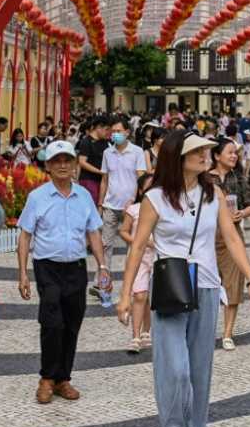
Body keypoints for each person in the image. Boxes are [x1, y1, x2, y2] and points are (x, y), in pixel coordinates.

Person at [116, 131, 250, 427]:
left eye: (207, 150)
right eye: (197, 151)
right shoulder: (155, 198)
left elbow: (230, 236)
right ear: (177, 157)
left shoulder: (214, 194)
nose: (206, 155)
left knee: (199, 370)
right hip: (170, 287)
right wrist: (125, 294)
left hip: (208, 286)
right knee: (174, 370)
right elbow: (137, 247)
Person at [17, 141, 110, 404]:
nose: (62, 165)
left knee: (72, 324)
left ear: (74, 165)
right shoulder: (38, 197)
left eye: (67, 160)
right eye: (56, 160)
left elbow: (93, 232)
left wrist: (102, 267)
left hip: (76, 268)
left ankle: (63, 379)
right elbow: (25, 236)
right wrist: (22, 273)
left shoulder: (84, 197)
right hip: (48, 268)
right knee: (51, 322)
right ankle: (46, 377)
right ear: (48, 165)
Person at [208, 138, 250, 350]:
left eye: (235, 153)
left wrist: (242, 213)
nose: (234, 156)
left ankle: (228, 333)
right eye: (229, 152)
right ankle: (204, 330)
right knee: (205, 284)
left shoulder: (239, 178)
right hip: (208, 235)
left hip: (232, 234)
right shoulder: (205, 179)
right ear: (217, 156)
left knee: (233, 283)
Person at [98, 117, 148, 282]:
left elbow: (141, 178)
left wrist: (136, 200)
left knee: (133, 245)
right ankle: (103, 283)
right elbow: (104, 180)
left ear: (127, 132)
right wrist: (100, 203)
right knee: (105, 245)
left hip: (131, 207)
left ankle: (134, 281)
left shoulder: (137, 152)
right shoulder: (107, 153)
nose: (115, 134)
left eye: (118, 131)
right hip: (110, 205)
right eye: (113, 132)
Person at [120, 173, 156, 354]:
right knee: (140, 295)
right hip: (139, 257)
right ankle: (135, 335)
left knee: (152, 296)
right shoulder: (133, 209)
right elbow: (123, 231)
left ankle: (146, 332)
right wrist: (138, 241)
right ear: (141, 190)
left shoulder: (162, 207)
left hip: (157, 256)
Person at [76, 116, 110, 207]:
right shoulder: (86, 142)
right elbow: (82, 162)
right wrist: (100, 171)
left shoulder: (105, 142)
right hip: (88, 180)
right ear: (98, 128)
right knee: (89, 206)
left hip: (102, 181)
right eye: (106, 129)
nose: (108, 133)